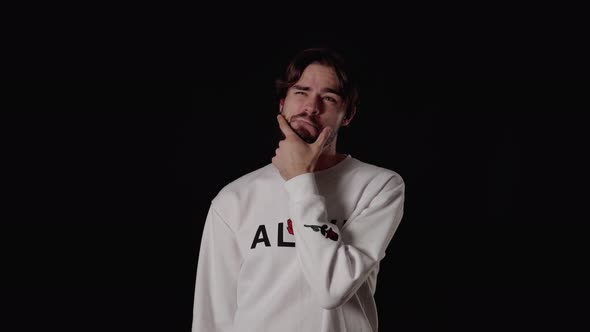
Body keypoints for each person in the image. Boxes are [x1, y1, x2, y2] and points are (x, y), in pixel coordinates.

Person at [192, 48, 405, 332]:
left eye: (329, 98)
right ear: (282, 103)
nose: (311, 107)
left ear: (348, 115)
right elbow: (213, 317)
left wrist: (299, 180)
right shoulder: (234, 198)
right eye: (301, 92)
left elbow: (332, 288)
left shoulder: (379, 186)